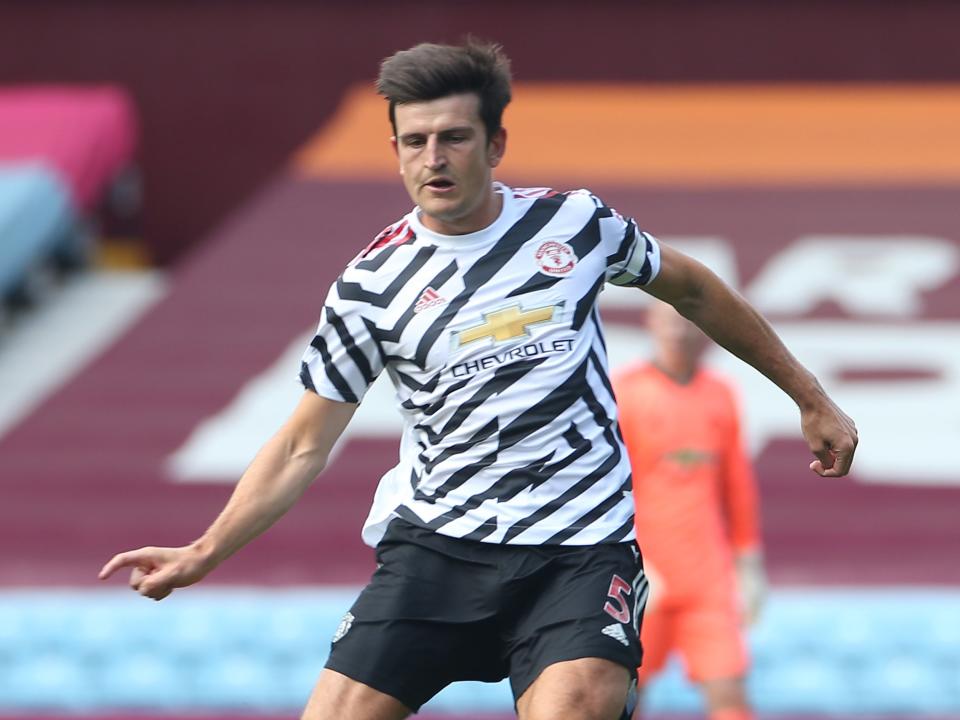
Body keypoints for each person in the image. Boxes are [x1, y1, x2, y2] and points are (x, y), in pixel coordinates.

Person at [98, 40, 857, 720]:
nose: (434, 158)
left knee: (581, 706)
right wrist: (205, 550)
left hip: (579, 550)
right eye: (415, 141)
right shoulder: (369, 286)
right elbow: (302, 444)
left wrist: (809, 395)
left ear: (494, 143)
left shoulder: (575, 225)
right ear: (394, 150)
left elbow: (692, 289)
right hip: (437, 549)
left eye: (454, 138)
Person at [613, 301, 766, 720]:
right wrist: (632, 559)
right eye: (669, 322)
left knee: (728, 691)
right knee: (625, 694)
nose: (679, 332)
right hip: (644, 574)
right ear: (651, 324)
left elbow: (736, 484)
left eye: (687, 322)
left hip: (707, 576)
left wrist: (748, 562)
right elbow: (610, 487)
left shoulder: (720, 393)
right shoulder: (626, 391)